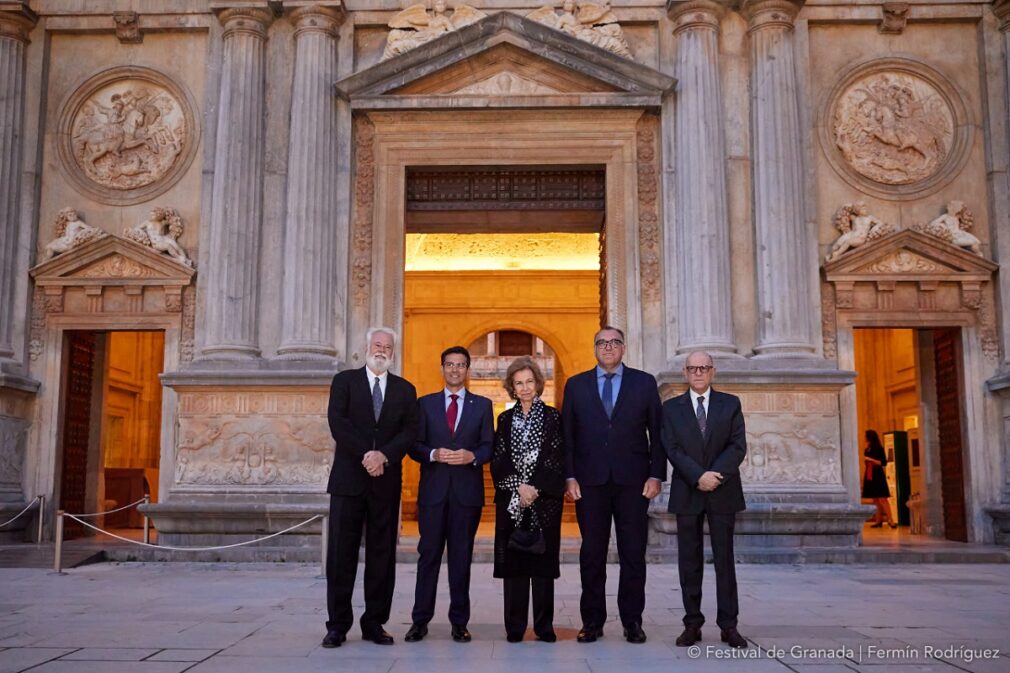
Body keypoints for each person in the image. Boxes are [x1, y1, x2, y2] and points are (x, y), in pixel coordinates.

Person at [562, 326, 665, 644]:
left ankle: (632, 621)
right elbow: (567, 435)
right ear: (594, 348)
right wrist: (569, 476)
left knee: (633, 553)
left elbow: (657, 432)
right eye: (602, 343)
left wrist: (656, 474)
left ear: (624, 348)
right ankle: (592, 621)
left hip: (634, 482)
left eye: (614, 343)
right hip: (589, 482)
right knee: (592, 553)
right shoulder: (576, 385)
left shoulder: (644, 383)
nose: (608, 348)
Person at [322, 327, 418, 648]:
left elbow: (409, 432)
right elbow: (338, 422)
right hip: (349, 481)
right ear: (366, 347)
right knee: (340, 556)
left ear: (394, 352)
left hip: (385, 484)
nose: (381, 350)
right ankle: (337, 625)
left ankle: (374, 622)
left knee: (381, 556)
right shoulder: (344, 382)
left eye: (387, 346)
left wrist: (384, 456)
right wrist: (367, 454)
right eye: (377, 345)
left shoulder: (405, 390)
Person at [405, 346, 494, 644]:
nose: (455, 370)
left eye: (460, 365)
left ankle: (459, 622)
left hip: (466, 495)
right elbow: (413, 445)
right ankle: (420, 621)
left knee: (460, 558)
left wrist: (473, 456)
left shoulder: (482, 406)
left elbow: (489, 447)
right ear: (441, 368)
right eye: (449, 365)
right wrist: (432, 453)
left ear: (468, 369)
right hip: (433, 494)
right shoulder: (425, 404)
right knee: (428, 556)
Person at [661, 351, 748, 650]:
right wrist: (698, 476)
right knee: (689, 561)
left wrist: (714, 475)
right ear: (685, 373)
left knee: (725, 561)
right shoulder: (671, 408)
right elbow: (671, 448)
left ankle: (729, 626)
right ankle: (692, 624)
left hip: (723, 490)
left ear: (712, 371)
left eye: (703, 368)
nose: (698, 373)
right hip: (688, 489)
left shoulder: (731, 404)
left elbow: (738, 446)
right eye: (692, 368)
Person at [491, 357, 565, 643]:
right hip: (512, 500)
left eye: (529, 382)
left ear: (537, 384)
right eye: (518, 383)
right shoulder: (504, 419)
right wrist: (519, 487)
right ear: (512, 386)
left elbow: (557, 457)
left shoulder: (552, 417)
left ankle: (544, 627)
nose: (524, 388)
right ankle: (515, 627)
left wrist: (534, 489)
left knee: (543, 566)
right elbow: (498, 458)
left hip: (544, 501)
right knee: (515, 565)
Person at [862, 429, 896, 528]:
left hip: (878, 474)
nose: (864, 438)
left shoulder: (879, 448)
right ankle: (878, 520)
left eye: (866, 436)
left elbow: (884, 463)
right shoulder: (867, 449)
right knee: (875, 499)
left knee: (882, 498)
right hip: (869, 474)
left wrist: (870, 459)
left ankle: (891, 520)